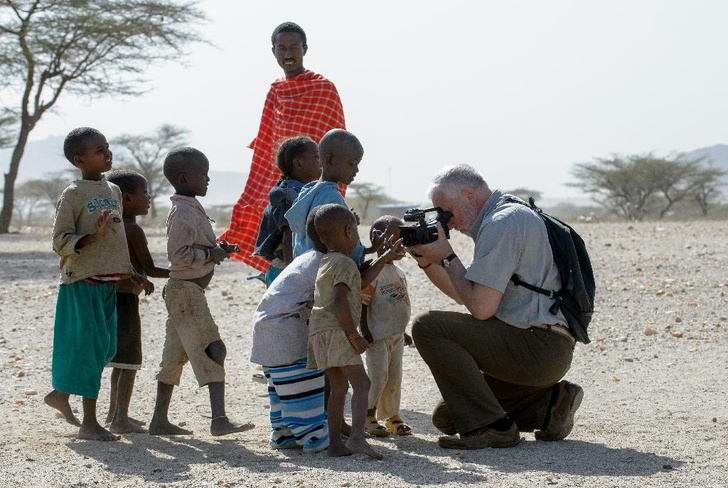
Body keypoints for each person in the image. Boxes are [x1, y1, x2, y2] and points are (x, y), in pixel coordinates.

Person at [407, 164, 583, 450]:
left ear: (468, 195)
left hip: (538, 346)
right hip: (539, 347)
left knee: (427, 326)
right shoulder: (502, 216)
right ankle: (551, 404)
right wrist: (426, 259)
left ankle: (495, 429)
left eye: (446, 211)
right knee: (451, 416)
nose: (445, 222)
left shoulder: (504, 222)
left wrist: (448, 256)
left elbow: (480, 308)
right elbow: (465, 294)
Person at [44, 127, 148, 441]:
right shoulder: (73, 194)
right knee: (89, 351)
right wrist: (92, 238)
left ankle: (60, 395)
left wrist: (131, 272)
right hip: (82, 282)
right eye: (99, 150)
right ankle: (90, 424)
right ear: (79, 159)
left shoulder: (113, 191)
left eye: (107, 148)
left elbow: (116, 240)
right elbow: (59, 241)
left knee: (105, 348)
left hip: (109, 283)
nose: (107, 154)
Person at [220, 21, 346, 272]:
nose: (288, 54)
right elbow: (267, 140)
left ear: (305, 49)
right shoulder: (275, 91)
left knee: (316, 239)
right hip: (282, 182)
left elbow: (336, 140)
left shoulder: (323, 89)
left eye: (294, 47)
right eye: (282, 48)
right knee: (277, 239)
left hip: (314, 182)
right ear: (274, 51)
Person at [149, 147, 254, 437]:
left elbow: (194, 247)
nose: (208, 179)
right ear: (183, 178)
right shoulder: (182, 212)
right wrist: (211, 254)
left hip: (185, 294)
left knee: (173, 356)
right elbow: (179, 254)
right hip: (186, 294)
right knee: (214, 349)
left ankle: (159, 420)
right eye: (203, 175)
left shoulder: (190, 207)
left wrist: (218, 251)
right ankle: (219, 420)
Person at [251, 208, 329, 453]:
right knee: (302, 385)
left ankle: (283, 434)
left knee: (281, 388)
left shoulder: (305, 258)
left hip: (267, 329)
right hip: (286, 333)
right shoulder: (322, 263)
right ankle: (313, 436)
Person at [307, 204, 381, 460]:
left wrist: (383, 258)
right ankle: (358, 438)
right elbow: (340, 300)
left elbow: (359, 283)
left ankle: (335, 443)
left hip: (319, 332)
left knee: (338, 388)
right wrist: (354, 336)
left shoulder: (327, 261)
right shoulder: (346, 263)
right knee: (363, 384)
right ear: (349, 231)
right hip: (339, 333)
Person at [104, 170, 170, 434]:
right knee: (129, 361)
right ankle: (120, 419)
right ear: (128, 198)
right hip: (126, 300)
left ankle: (114, 413)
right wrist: (184, 270)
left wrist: (141, 277)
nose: (149, 197)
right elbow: (151, 268)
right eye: (144, 192)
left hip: (112, 297)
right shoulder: (133, 229)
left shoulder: (115, 225)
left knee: (119, 361)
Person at [360, 216, 414, 438]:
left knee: (394, 377)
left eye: (404, 240)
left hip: (396, 336)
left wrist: (404, 332)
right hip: (377, 336)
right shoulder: (373, 271)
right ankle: (367, 416)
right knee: (377, 376)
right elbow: (363, 305)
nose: (402, 246)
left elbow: (399, 302)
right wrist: (365, 332)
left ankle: (392, 416)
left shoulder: (399, 272)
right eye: (396, 240)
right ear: (378, 239)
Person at [284, 129, 368, 265]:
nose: (356, 170)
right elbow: (341, 246)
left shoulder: (309, 191)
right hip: (328, 275)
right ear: (329, 160)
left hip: (306, 267)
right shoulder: (331, 196)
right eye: (351, 164)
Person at [253, 136, 321, 287]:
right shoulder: (290, 194)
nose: (321, 161)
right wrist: (293, 275)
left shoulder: (301, 191)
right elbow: (288, 236)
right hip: (286, 267)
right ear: (298, 163)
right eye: (316, 157)